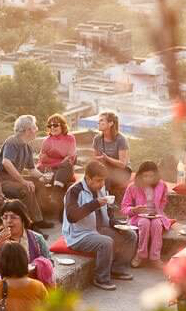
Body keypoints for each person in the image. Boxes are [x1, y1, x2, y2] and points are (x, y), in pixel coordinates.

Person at [62, 160, 136, 290]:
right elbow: (72, 216)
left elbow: (108, 214)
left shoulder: (101, 189)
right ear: (88, 178)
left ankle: (117, 269)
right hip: (79, 234)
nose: (102, 184)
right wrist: (94, 204)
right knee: (106, 242)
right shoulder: (74, 191)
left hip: (98, 229)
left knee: (131, 235)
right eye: (98, 180)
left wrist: (119, 225)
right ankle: (101, 278)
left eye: (103, 180)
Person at [0, 200, 55, 287]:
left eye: (13, 217)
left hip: (29, 284)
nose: (8, 221)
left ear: (23, 219)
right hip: (1, 286)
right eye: (5, 217)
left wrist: (36, 266)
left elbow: (50, 263)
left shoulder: (37, 238)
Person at [120, 160, 171, 269]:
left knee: (157, 225)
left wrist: (158, 211)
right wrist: (134, 209)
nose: (148, 179)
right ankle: (140, 255)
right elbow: (124, 207)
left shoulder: (162, 185)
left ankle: (155, 257)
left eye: (151, 176)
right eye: (145, 176)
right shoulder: (132, 187)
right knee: (144, 223)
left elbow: (163, 200)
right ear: (139, 176)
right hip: (138, 216)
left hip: (156, 215)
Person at [0, 115, 44, 226]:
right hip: (1, 180)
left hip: (13, 179)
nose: (37, 129)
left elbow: (32, 170)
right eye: (35, 127)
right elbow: (6, 162)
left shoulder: (27, 147)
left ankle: (39, 219)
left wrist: (43, 177)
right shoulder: (12, 141)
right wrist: (23, 181)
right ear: (28, 130)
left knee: (39, 182)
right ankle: (30, 223)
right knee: (26, 187)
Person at [92, 110, 131, 204]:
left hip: (121, 171)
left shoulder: (121, 139)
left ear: (110, 123)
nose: (99, 122)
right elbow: (95, 159)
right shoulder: (97, 139)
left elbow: (122, 164)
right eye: (99, 120)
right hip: (105, 168)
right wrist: (98, 159)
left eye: (102, 120)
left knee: (105, 175)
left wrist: (107, 158)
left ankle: (107, 203)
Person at [37, 114, 77, 189]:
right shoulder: (47, 141)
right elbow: (42, 159)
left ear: (62, 126)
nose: (52, 127)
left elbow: (70, 158)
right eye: (50, 126)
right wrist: (60, 162)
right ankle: (57, 187)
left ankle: (56, 190)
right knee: (59, 171)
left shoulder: (70, 138)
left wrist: (52, 161)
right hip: (50, 170)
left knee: (67, 165)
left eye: (55, 125)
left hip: (64, 169)